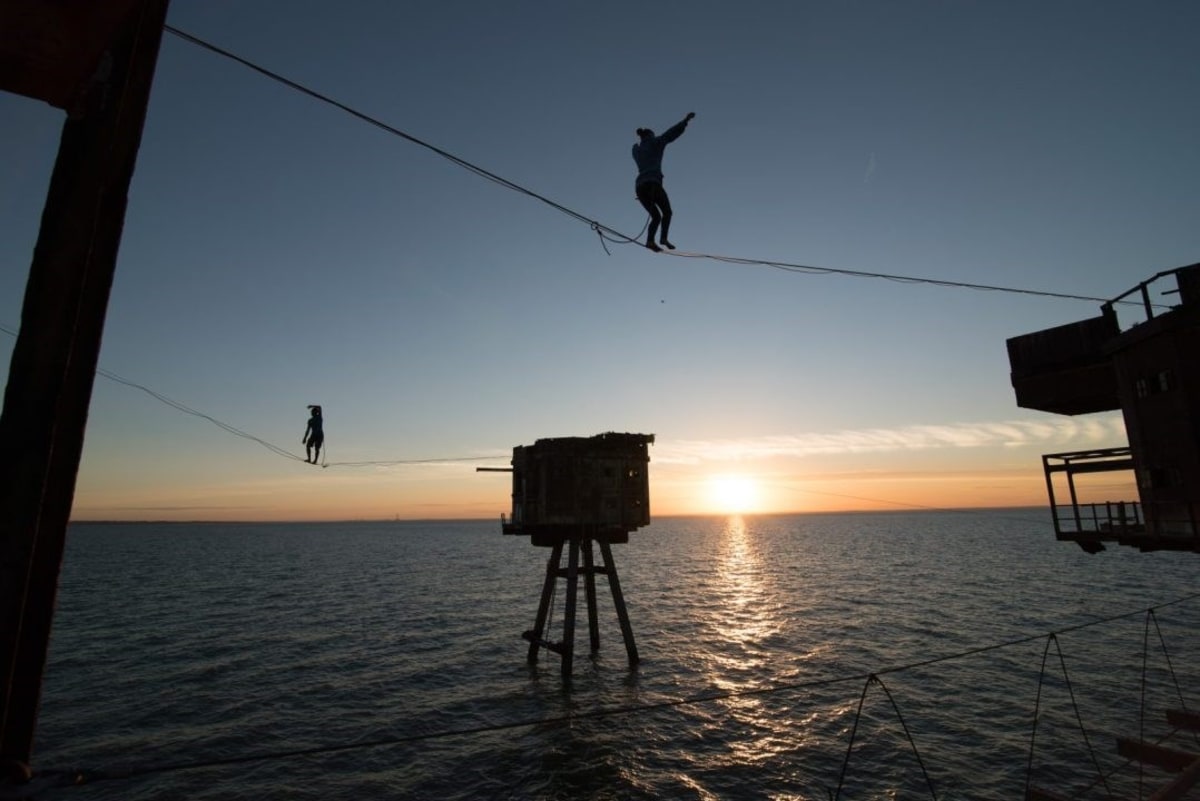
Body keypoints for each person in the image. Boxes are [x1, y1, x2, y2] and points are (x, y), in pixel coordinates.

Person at [632, 112, 695, 252]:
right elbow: (671, 134)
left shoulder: (636, 149)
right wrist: (685, 121)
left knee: (656, 216)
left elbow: (638, 149)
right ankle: (663, 238)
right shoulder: (656, 143)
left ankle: (650, 241)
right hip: (653, 183)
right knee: (667, 212)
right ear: (651, 135)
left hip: (639, 188)